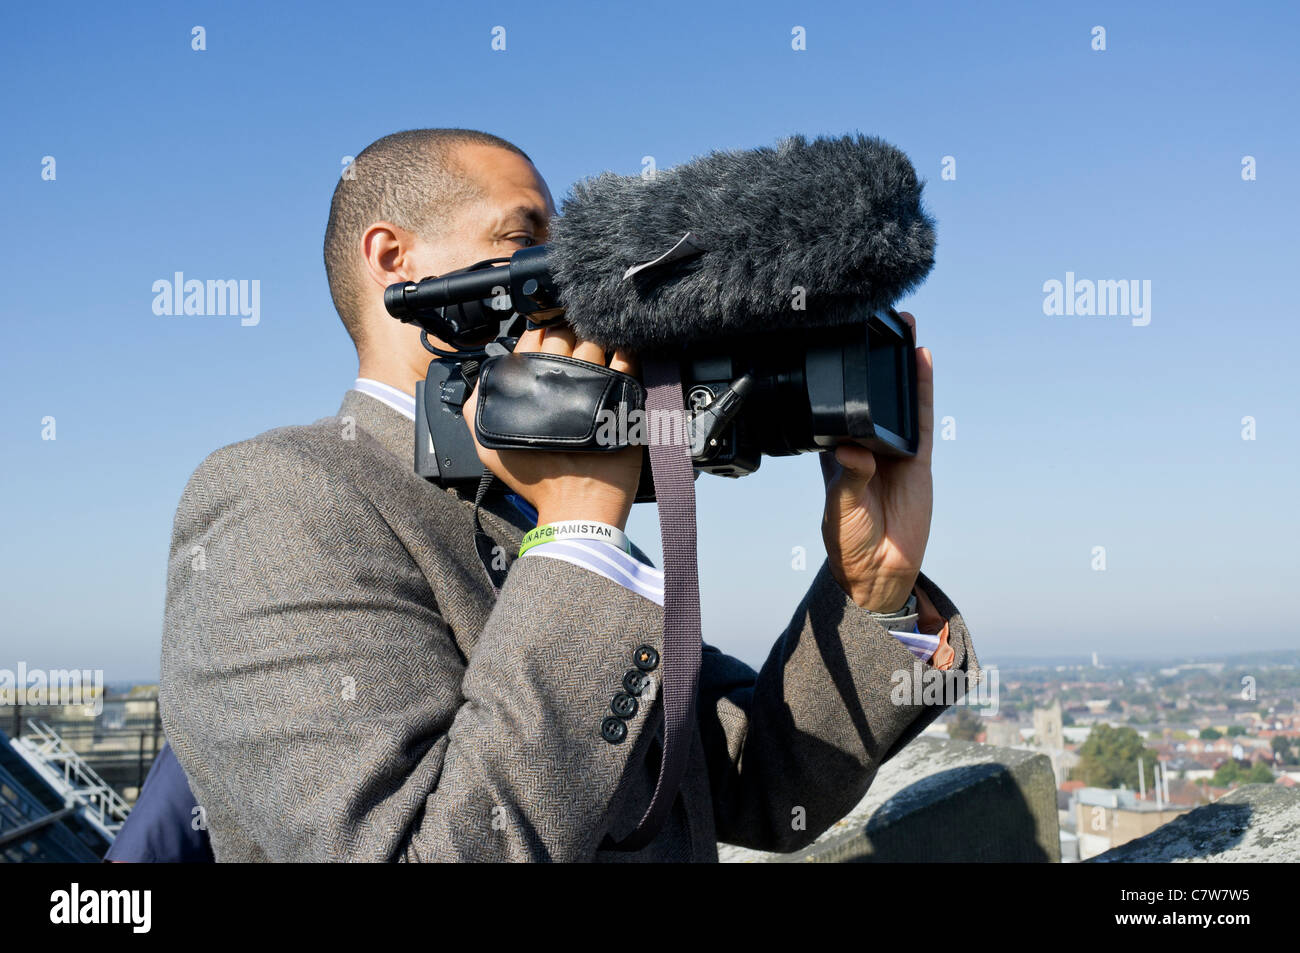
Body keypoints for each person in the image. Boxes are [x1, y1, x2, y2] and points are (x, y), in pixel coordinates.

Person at [152, 128, 978, 862]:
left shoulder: (540, 514)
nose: (576, 289)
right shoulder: (277, 497)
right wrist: (580, 532)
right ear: (394, 259)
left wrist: (873, 590)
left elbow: (760, 785)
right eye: (524, 240)